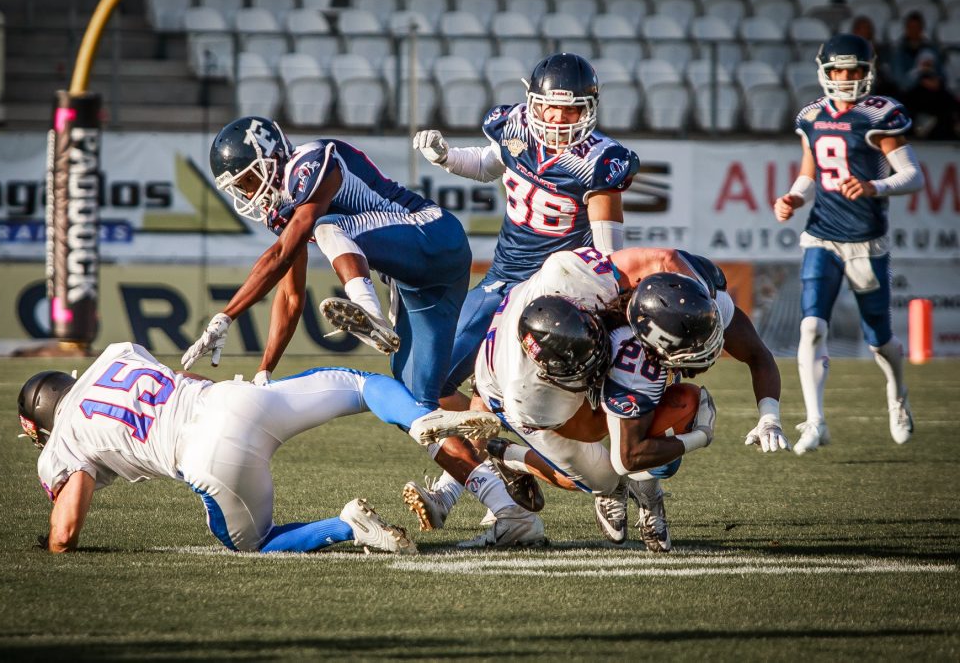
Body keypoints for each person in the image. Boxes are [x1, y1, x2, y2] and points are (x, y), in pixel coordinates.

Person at [179, 117, 518, 525]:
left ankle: (367, 310)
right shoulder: (288, 209)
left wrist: (225, 315)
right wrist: (264, 370)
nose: (249, 195)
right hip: (416, 282)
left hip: (433, 235)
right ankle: (507, 505)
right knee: (417, 409)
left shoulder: (310, 162)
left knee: (327, 226)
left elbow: (285, 251)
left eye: (249, 182)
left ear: (270, 158)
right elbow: (289, 294)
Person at [406, 247, 787, 551]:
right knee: (604, 476)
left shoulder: (589, 278)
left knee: (671, 415)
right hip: (513, 391)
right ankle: (505, 454)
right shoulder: (535, 391)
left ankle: (649, 492)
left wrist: (769, 415)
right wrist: (697, 435)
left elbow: (665, 260)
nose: (707, 354)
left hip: (550, 330)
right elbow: (602, 438)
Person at [406, 53, 639, 539]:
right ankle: (499, 469)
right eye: (550, 109)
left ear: (590, 109)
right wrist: (448, 157)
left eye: (571, 110)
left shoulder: (600, 160)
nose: (558, 119)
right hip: (502, 278)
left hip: (556, 297)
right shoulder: (512, 125)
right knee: (435, 381)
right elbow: (489, 165)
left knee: (522, 403)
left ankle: (504, 476)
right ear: (532, 104)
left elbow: (607, 252)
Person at [17, 341, 486, 554]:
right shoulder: (115, 354)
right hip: (231, 398)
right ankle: (422, 420)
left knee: (254, 542)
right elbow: (185, 380)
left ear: (39, 421)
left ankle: (348, 527)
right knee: (363, 384)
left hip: (206, 457)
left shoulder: (63, 436)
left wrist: (52, 544)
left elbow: (66, 529)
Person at [774, 34, 926, 454]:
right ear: (824, 72)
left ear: (868, 72)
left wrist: (873, 186)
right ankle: (815, 421)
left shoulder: (880, 115)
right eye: (838, 70)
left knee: (880, 339)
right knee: (810, 326)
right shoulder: (811, 116)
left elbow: (913, 177)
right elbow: (810, 175)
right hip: (822, 235)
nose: (845, 78)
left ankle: (897, 396)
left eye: (854, 70)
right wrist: (793, 197)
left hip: (866, 243)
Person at [889, 11, 943, 92]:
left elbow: (940, 73)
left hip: (932, 90)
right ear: (906, 28)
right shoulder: (898, 51)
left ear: (922, 28)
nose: (914, 30)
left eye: (917, 27)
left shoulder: (931, 49)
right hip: (910, 92)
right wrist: (921, 81)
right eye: (911, 27)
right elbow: (900, 80)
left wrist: (937, 81)